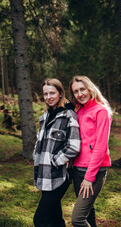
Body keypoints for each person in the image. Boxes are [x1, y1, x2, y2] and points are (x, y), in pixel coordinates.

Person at [33, 78, 81, 227]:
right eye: (45, 94)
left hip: (59, 175)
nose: (49, 97)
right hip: (43, 174)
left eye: (52, 93)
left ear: (60, 93)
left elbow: (74, 146)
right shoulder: (46, 116)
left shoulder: (69, 115)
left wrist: (55, 161)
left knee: (40, 220)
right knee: (54, 218)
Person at [69, 76, 113, 227]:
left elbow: (101, 147)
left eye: (82, 89)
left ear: (90, 88)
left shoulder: (101, 111)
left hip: (94, 172)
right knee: (88, 212)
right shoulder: (79, 111)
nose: (80, 94)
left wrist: (89, 177)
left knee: (77, 219)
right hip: (77, 170)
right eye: (76, 91)